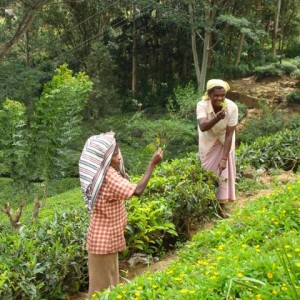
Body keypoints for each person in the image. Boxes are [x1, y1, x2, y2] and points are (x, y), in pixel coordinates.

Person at [78, 132, 163, 299]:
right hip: (102, 243)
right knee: (100, 292)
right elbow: (137, 191)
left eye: (118, 153)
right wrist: (152, 164)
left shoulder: (103, 173)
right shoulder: (108, 175)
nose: (119, 158)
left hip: (106, 242)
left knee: (110, 288)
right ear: (105, 158)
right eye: (115, 154)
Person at [196, 79, 238, 217]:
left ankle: (222, 208)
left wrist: (224, 158)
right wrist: (217, 118)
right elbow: (203, 126)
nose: (219, 98)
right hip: (208, 142)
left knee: (223, 174)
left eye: (222, 95)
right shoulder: (202, 105)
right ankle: (208, 205)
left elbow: (229, 134)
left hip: (224, 142)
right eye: (216, 95)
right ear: (209, 94)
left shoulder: (232, 107)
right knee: (207, 172)